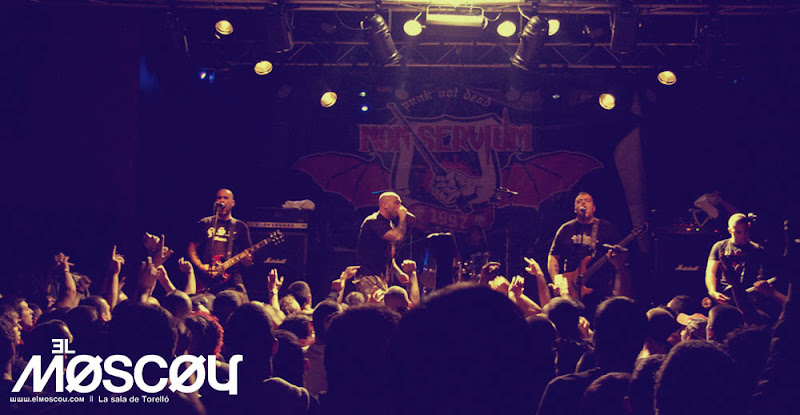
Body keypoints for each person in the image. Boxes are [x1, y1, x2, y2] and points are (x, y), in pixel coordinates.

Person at [547, 192, 629, 313]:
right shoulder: (566, 229)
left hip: (599, 288)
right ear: (575, 209)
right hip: (571, 288)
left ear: (594, 207)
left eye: (587, 200)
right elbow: (553, 256)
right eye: (579, 201)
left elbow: (620, 254)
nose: (583, 203)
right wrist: (557, 280)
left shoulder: (606, 227)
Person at [188, 188, 253, 293]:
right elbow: (192, 248)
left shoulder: (240, 226)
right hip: (205, 279)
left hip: (231, 281)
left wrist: (247, 260)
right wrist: (201, 266)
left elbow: (248, 261)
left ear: (232, 203)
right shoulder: (205, 223)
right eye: (219, 198)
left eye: (225, 198)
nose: (222, 200)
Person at [705, 213, 767, 305]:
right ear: (730, 231)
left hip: (748, 295)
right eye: (738, 232)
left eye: (746, 231)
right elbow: (710, 272)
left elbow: (762, 276)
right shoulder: (719, 246)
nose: (743, 235)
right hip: (725, 294)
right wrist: (712, 292)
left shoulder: (757, 249)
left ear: (749, 226)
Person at [354, 192, 412, 281]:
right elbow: (397, 237)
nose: (400, 206)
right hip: (367, 277)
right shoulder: (373, 221)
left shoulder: (390, 226)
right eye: (396, 203)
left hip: (381, 278)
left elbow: (388, 256)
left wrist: (398, 273)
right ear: (385, 205)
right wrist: (403, 218)